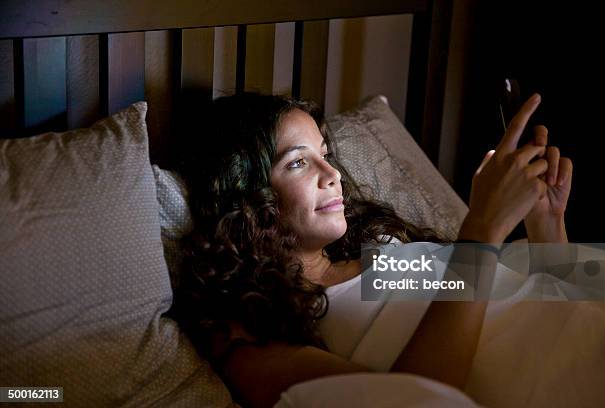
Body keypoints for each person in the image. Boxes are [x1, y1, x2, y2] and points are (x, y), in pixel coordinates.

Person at [171, 91, 573, 408]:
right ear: (243, 193)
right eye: (297, 163)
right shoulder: (248, 335)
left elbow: (543, 308)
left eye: (324, 156)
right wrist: (483, 231)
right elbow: (414, 401)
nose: (332, 176)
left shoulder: (382, 256)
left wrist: (547, 224)